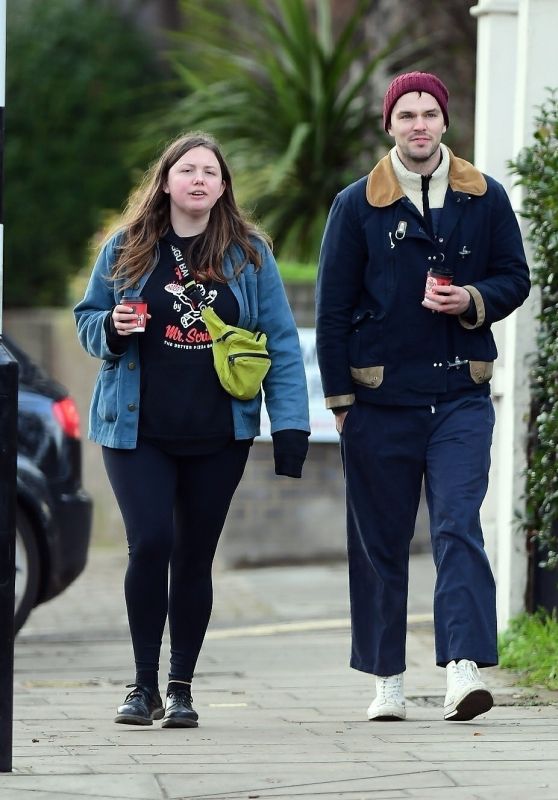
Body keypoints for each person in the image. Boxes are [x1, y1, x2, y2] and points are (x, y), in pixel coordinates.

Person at [75, 131, 310, 728]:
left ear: (224, 186)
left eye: (211, 171)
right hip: (137, 431)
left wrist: (289, 426)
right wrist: (112, 327)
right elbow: (87, 319)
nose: (199, 179)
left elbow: (280, 341)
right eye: (187, 170)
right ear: (166, 180)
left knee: (194, 556)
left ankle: (180, 687)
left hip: (218, 434)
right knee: (150, 542)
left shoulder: (249, 253)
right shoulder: (126, 247)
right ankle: (141, 685)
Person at [315, 72, 530, 722]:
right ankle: (387, 678)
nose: (418, 125)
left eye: (429, 113)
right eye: (406, 114)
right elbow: (331, 311)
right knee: (380, 540)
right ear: (389, 124)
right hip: (380, 403)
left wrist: (472, 301)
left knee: (457, 524)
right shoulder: (356, 205)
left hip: (460, 394)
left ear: (444, 121)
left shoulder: (484, 196)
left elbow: (514, 277)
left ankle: (463, 670)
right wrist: (341, 401)